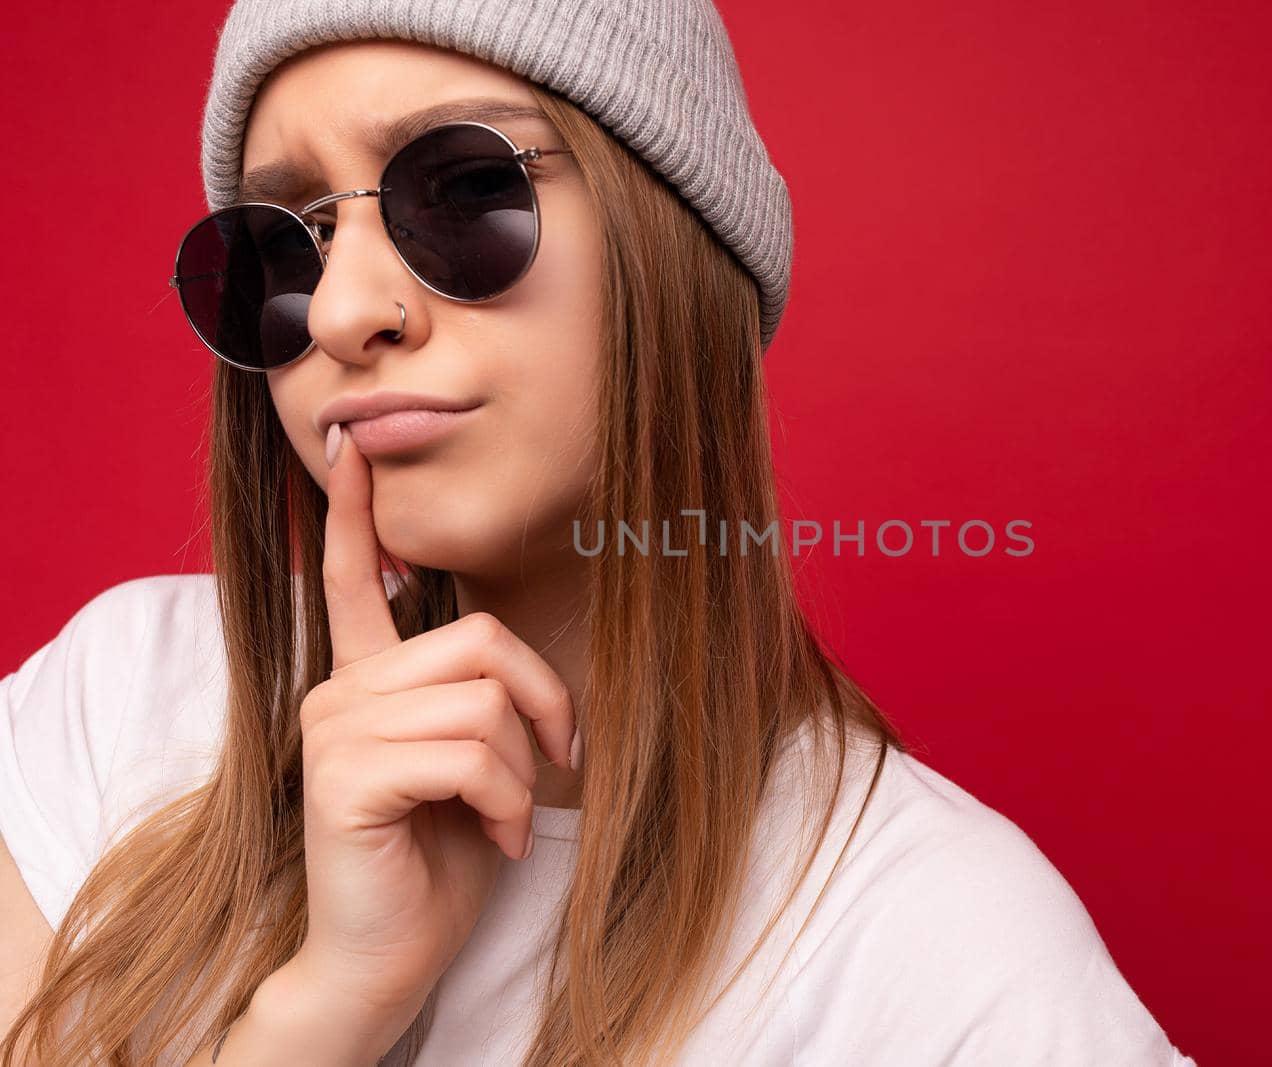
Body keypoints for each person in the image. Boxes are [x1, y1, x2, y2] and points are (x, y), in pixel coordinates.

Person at [0, 2, 1197, 1065]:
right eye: (288, 235)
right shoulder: (120, 699)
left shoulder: (930, 942)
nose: (349, 309)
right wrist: (324, 1010)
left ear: (672, 251)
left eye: (464, 188)